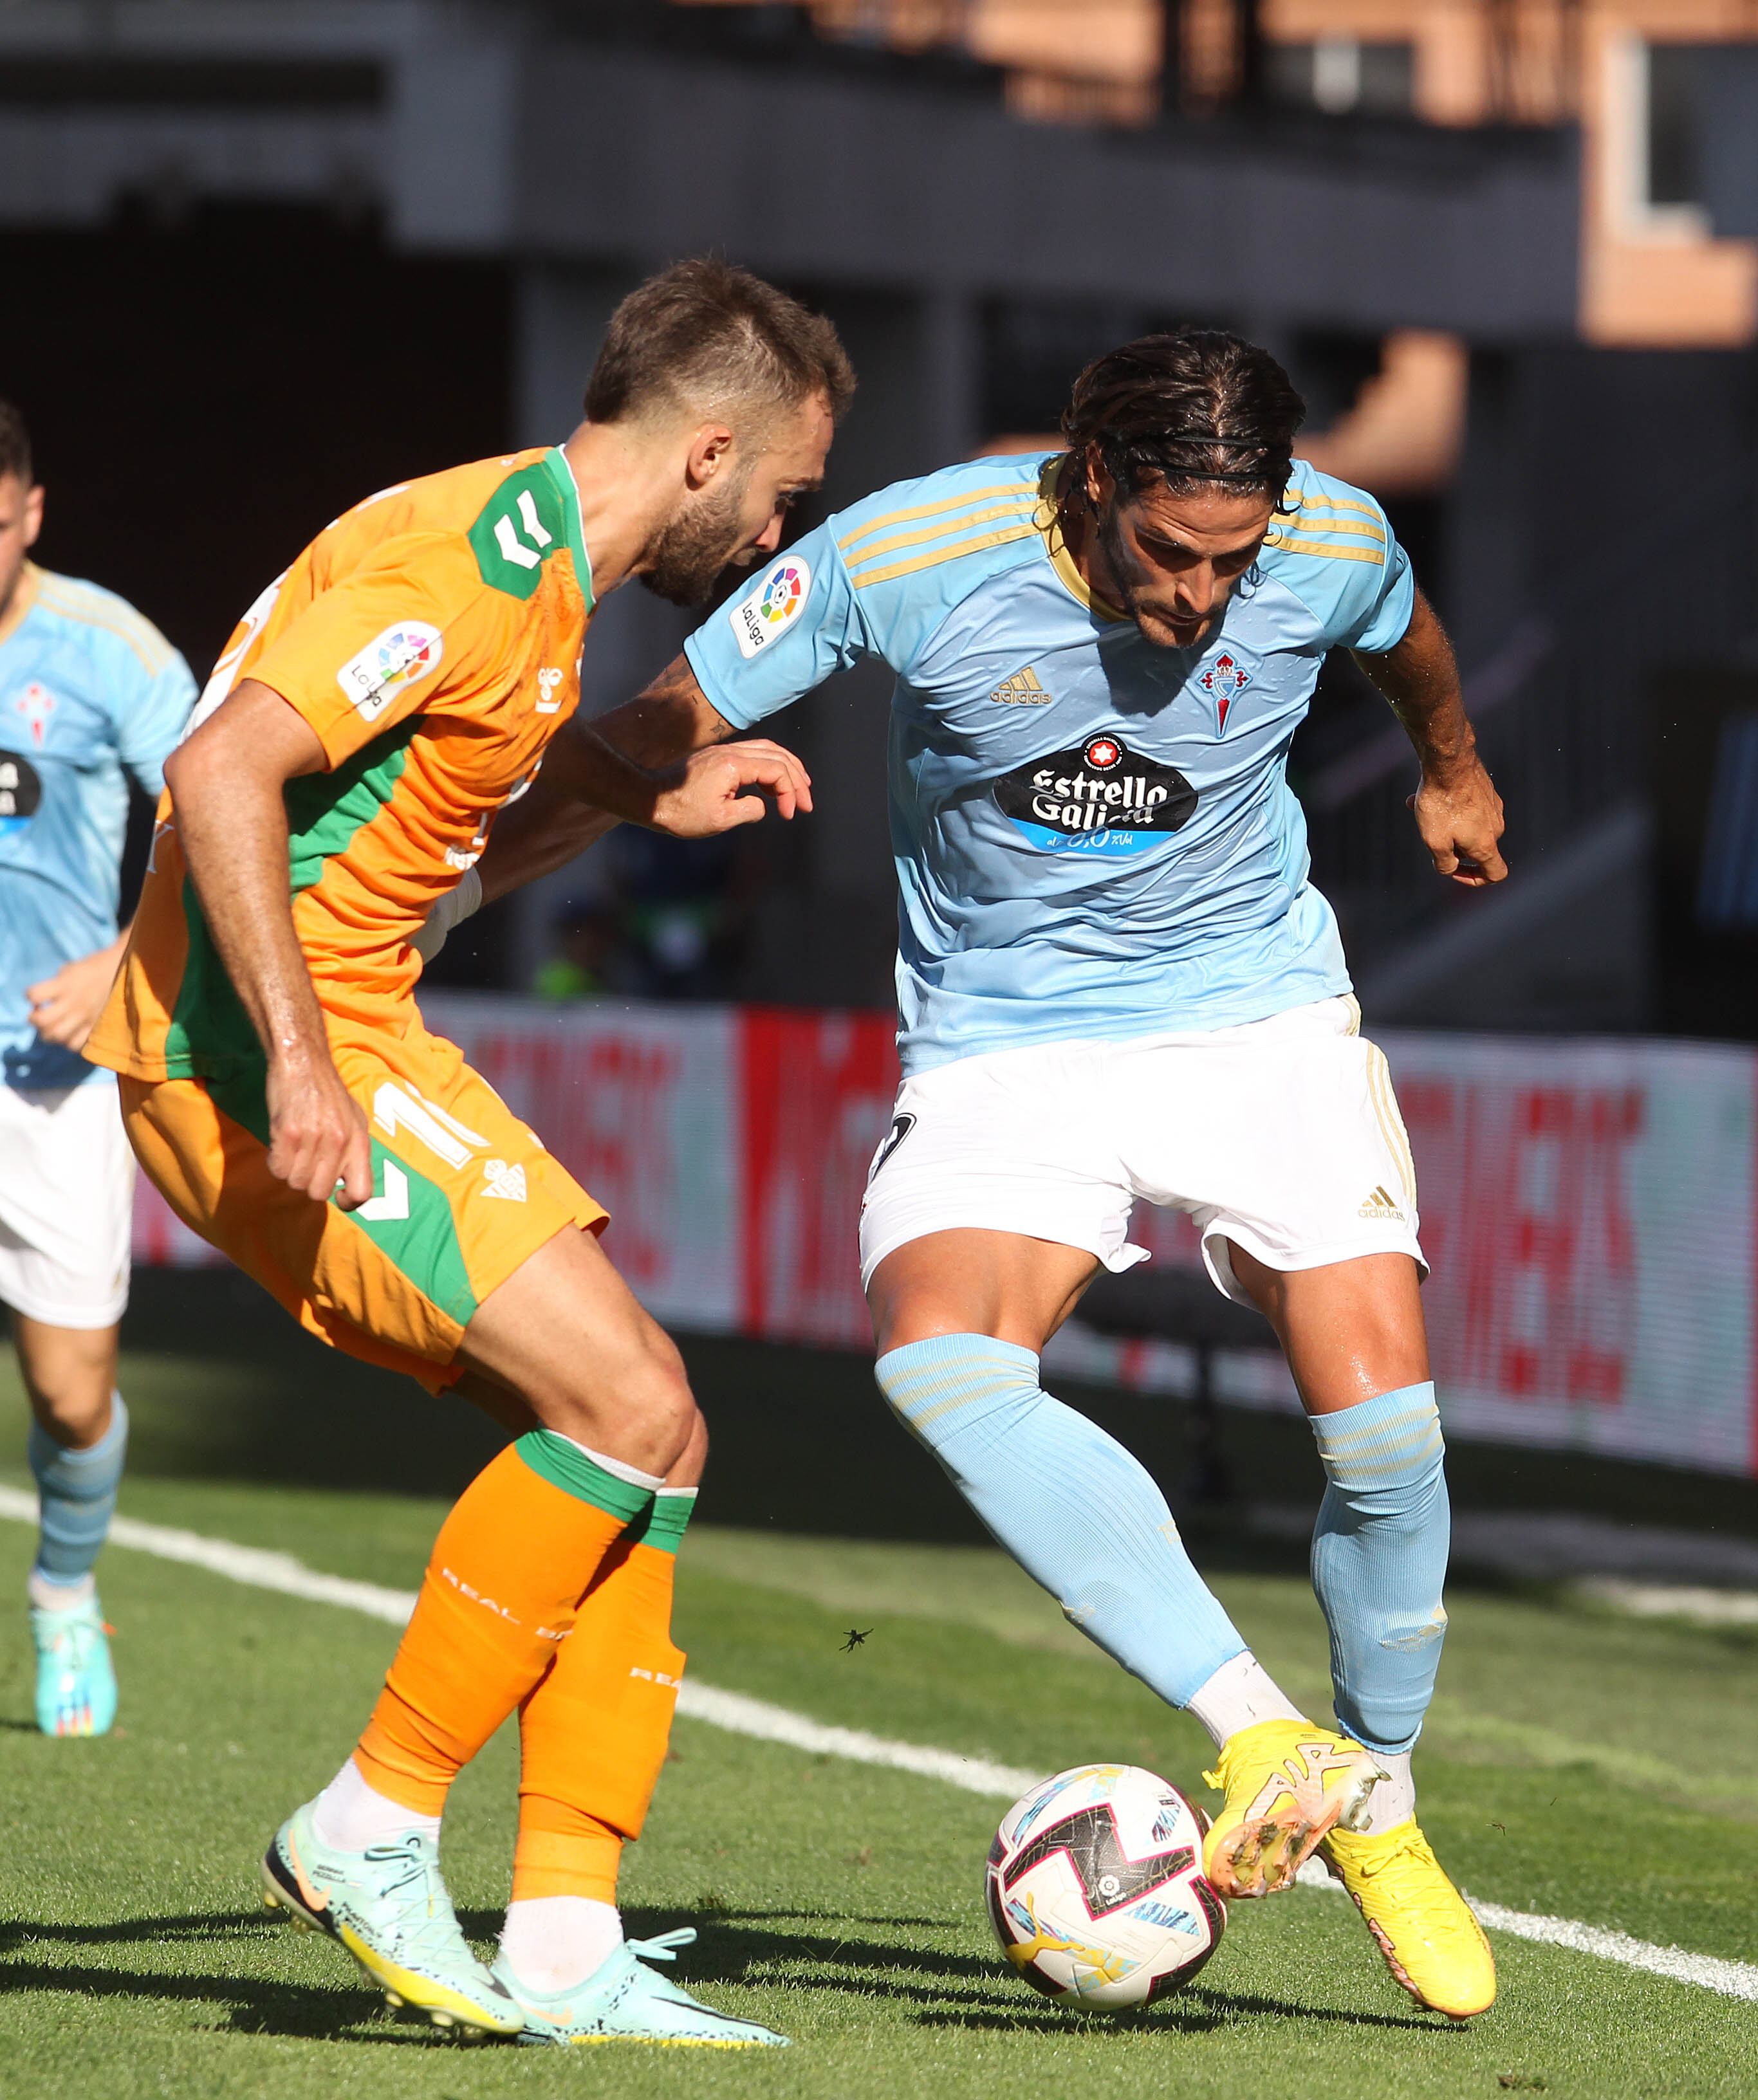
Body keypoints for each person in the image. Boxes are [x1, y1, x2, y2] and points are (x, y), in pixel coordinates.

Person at [450, 329, 1507, 2022]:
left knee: (1382, 1436)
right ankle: (1264, 1734)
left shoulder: (1326, 541)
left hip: (1259, 1018)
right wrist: (453, 896)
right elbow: (652, 720)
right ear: (1092, 484)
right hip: (1009, 1045)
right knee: (938, 1360)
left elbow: (1406, 642)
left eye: (1235, 561)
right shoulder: (907, 554)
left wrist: (1450, 769)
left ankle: (1368, 1796)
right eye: (1171, 553)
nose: (1205, 599)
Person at [84, 259, 851, 2047]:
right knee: (631, 1407)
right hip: (266, 1055)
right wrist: (297, 1064)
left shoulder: (534, 579)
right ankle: (366, 1824)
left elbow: (427, 860)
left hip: (354, 1027)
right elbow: (218, 774)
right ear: (708, 451)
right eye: (783, 497)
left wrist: (618, 792)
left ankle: (569, 1934)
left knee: (646, 1436)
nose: (772, 532)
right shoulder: (476, 571)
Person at [0, 400, 196, 1737]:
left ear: (30, 510)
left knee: (72, 1399)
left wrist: (131, 959)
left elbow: (224, 806)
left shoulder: (108, 649)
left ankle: (65, 1595)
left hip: (49, 1074)